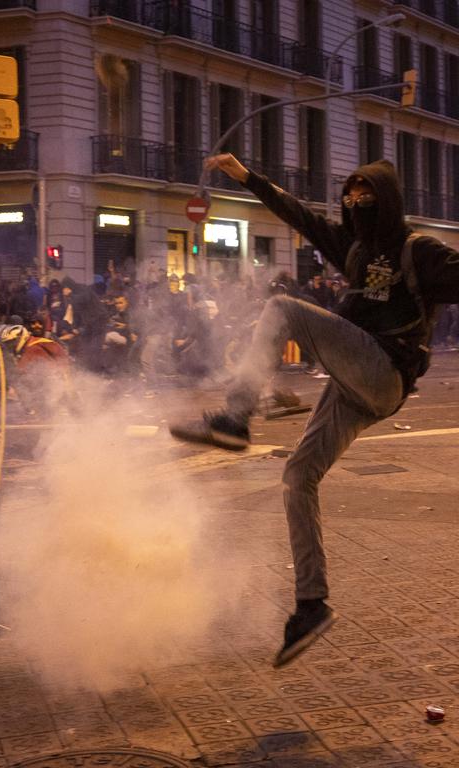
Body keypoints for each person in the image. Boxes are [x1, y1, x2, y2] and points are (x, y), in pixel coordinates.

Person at [171, 153, 459, 667]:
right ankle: (311, 603)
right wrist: (247, 178)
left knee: (283, 309)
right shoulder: (350, 248)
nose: (355, 202)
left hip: (384, 369)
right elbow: (299, 215)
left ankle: (235, 419)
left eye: (365, 194)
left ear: (387, 199)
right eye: (349, 195)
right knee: (297, 476)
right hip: (357, 385)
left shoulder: (419, 251)